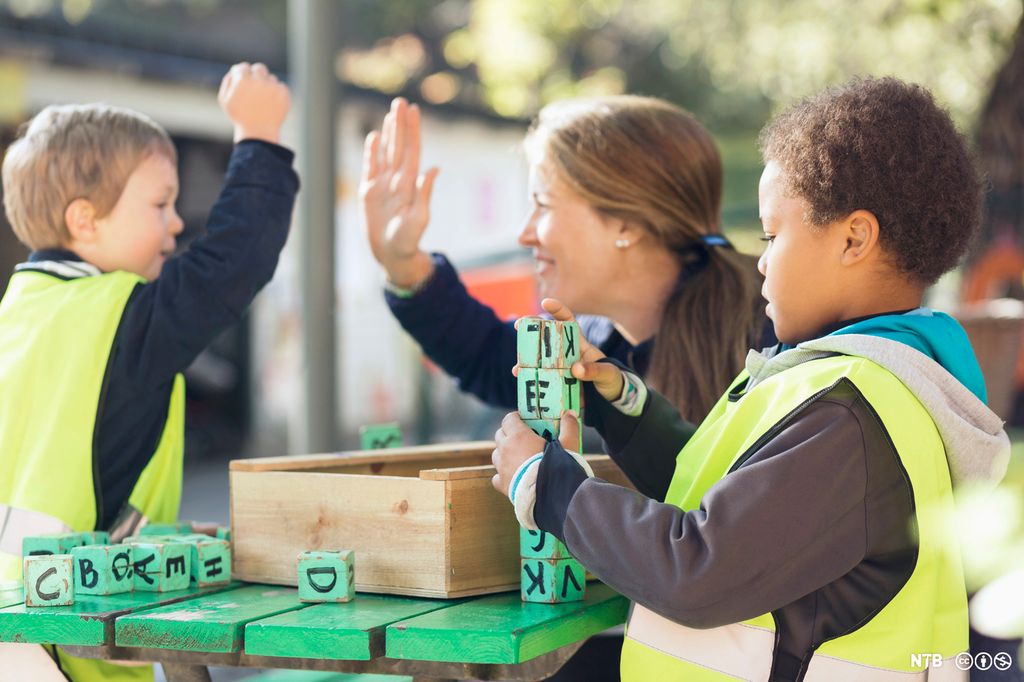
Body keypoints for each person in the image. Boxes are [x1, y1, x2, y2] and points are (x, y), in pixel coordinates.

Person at [492, 76, 1010, 682]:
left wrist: (546, 486)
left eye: (773, 234)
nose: (760, 259)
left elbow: (698, 567)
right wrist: (620, 399)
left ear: (854, 238)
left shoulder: (851, 413)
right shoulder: (856, 383)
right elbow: (730, 498)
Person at [0, 62, 298, 681]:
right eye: (160, 203)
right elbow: (230, 264)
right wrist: (260, 139)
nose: (177, 222)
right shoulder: (120, 317)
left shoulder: (20, 313)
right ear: (85, 221)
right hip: (67, 644)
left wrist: (159, 538)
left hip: (20, 630)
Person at [360, 95, 769, 426]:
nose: (524, 233)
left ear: (627, 224)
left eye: (542, 204)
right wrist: (404, 264)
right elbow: (489, 355)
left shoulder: (774, 339)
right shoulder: (593, 343)